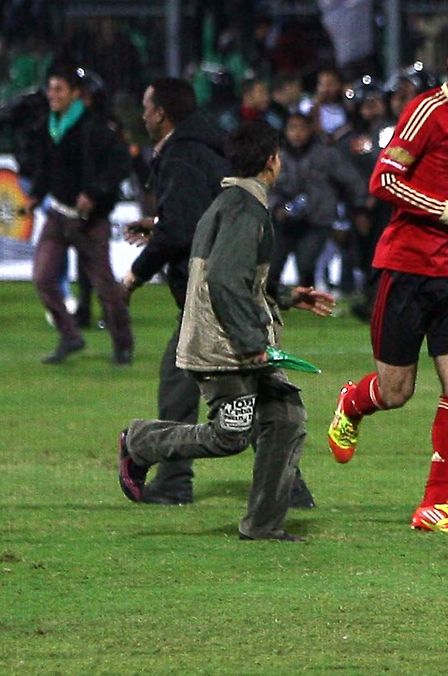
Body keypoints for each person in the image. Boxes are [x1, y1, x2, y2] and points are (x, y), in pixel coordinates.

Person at [118, 120, 336, 541]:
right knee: (230, 434)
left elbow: (239, 275)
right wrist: (252, 342)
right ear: (273, 161)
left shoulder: (234, 201)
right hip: (226, 346)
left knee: (286, 419)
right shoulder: (244, 209)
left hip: (231, 339)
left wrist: (287, 297)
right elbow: (223, 278)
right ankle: (140, 442)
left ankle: (263, 526)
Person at [326, 23, 448, 533]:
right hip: (408, 270)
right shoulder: (427, 111)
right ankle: (354, 401)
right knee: (396, 390)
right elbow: (382, 179)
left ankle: (435, 504)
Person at [122, 76, 230, 505]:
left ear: (161, 114)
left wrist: (134, 276)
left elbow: (182, 230)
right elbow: (202, 215)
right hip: (227, 285)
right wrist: (158, 225)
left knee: (177, 382)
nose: (143, 115)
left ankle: (173, 483)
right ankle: (288, 485)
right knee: (252, 392)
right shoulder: (207, 149)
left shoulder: (181, 154)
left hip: (205, 292)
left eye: (147, 107)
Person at [28, 66, 133, 365]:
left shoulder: (94, 127)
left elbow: (120, 163)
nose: (52, 95)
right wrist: (37, 193)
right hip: (58, 213)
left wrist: (94, 192)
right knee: (43, 278)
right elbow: (46, 166)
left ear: (75, 93)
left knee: (104, 287)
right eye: (50, 89)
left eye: (59, 89)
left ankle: (123, 345)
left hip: (89, 220)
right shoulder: (51, 125)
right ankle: (70, 335)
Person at [268, 111, 366, 291]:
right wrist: (276, 208)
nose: (297, 133)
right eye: (292, 128)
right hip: (284, 220)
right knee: (272, 267)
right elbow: (267, 187)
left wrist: (360, 207)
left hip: (316, 221)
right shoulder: (277, 158)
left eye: (301, 128)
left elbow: (353, 181)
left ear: (310, 130)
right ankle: (270, 304)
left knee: (306, 265)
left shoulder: (327, 155)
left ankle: (306, 300)